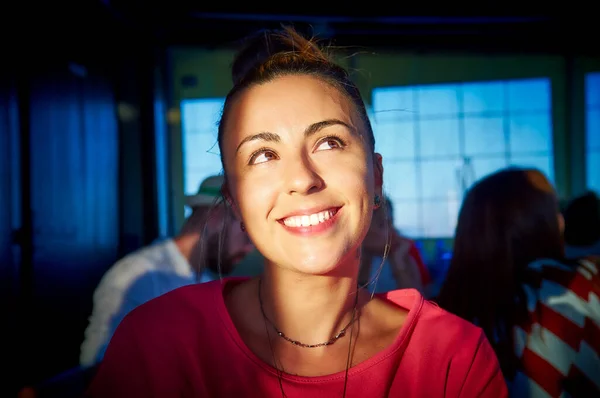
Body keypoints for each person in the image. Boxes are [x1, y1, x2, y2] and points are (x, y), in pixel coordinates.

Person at [85, 27, 507, 397]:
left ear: (375, 176)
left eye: (330, 142)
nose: (302, 179)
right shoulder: (159, 340)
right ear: (233, 199)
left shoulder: (451, 356)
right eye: (263, 154)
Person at [437, 167, 600, 397]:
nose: (561, 222)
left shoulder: (451, 314)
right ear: (532, 221)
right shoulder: (576, 284)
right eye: (554, 209)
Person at [79, 174, 254, 368]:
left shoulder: (205, 283)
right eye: (247, 233)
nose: (250, 248)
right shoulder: (139, 276)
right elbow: (97, 368)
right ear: (216, 216)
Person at [360, 196, 430, 294]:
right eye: (382, 224)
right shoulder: (343, 264)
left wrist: (399, 265)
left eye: (391, 222)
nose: (392, 230)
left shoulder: (404, 256)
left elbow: (418, 304)